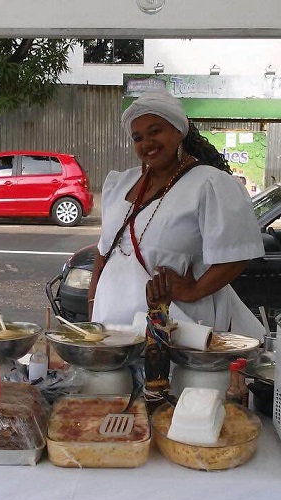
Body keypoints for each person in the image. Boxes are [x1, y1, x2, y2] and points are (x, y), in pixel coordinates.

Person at [87, 90, 266, 339]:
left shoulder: (210, 184)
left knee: (166, 377)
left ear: (178, 131)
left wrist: (194, 290)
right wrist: (93, 299)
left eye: (155, 131)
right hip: (111, 320)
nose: (146, 143)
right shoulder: (120, 184)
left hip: (178, 324)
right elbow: (104, 250)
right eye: (138, 137)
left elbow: (236, 254)